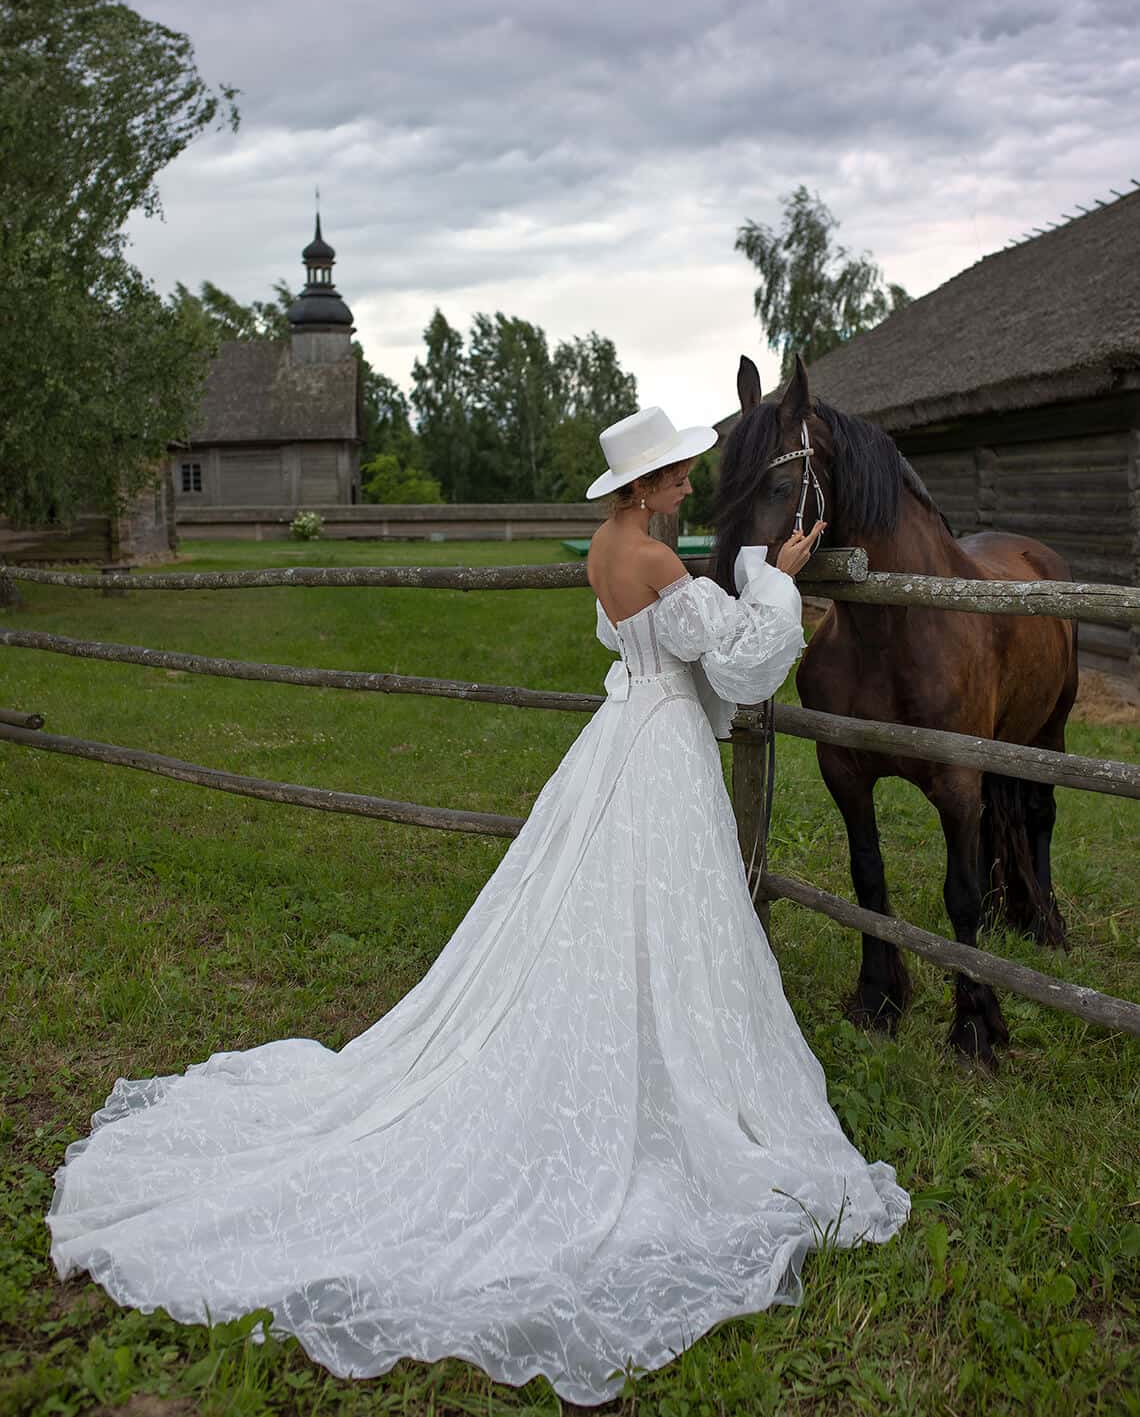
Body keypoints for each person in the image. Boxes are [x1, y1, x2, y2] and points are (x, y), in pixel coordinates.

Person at [46, 406, 909, 1408]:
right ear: (641, 489)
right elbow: (740, 663)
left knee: (604, 913)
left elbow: (663, 649)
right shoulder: (662, 567)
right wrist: (777, 578)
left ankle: (626, 1028)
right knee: (656, 912)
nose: (684, 489)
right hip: (657, 754)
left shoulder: (606, 548)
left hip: (621, 736)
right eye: (674, 478)